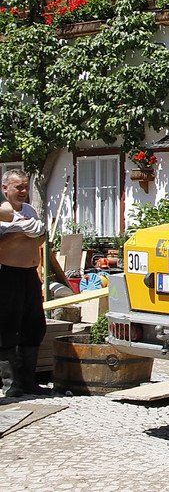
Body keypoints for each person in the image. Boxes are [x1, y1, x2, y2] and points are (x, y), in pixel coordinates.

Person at [0, 169, 49, 397]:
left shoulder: (29, 210)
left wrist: (39, 233)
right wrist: (20, 231)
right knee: (8, 326)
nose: (23, 191)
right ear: (5, 188)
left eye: (25, 187)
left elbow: (38, 240)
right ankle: (11, 383)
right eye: (18, 187)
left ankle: (28, 380)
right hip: (8, 274)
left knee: (34, 325)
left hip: (30, 273)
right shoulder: (2, 212)